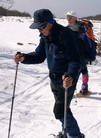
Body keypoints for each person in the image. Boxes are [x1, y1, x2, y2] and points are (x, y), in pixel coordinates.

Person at [14, 9, 84, 138]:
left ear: (50, 22)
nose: (40, 30)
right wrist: (24, 58)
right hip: (54, 79)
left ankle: (75, 135)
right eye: (37, 28)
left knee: (59, 111)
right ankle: (67, 132)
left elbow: (75, 60)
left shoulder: (65, 34)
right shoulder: (45, 36)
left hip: (66, 80)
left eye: (41, 26)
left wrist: (70, 75)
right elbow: (39, 55)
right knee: (63, 109)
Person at [65, 11, 93, 95]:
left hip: (81, 53)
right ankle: (79, 87)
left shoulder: (80, 28)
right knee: (78, 70)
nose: (68, 19)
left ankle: (83, 87)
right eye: (67, 17)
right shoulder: (68, 27)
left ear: (75, 18)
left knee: (81, 70)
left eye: (70, 17)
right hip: (71, 53)